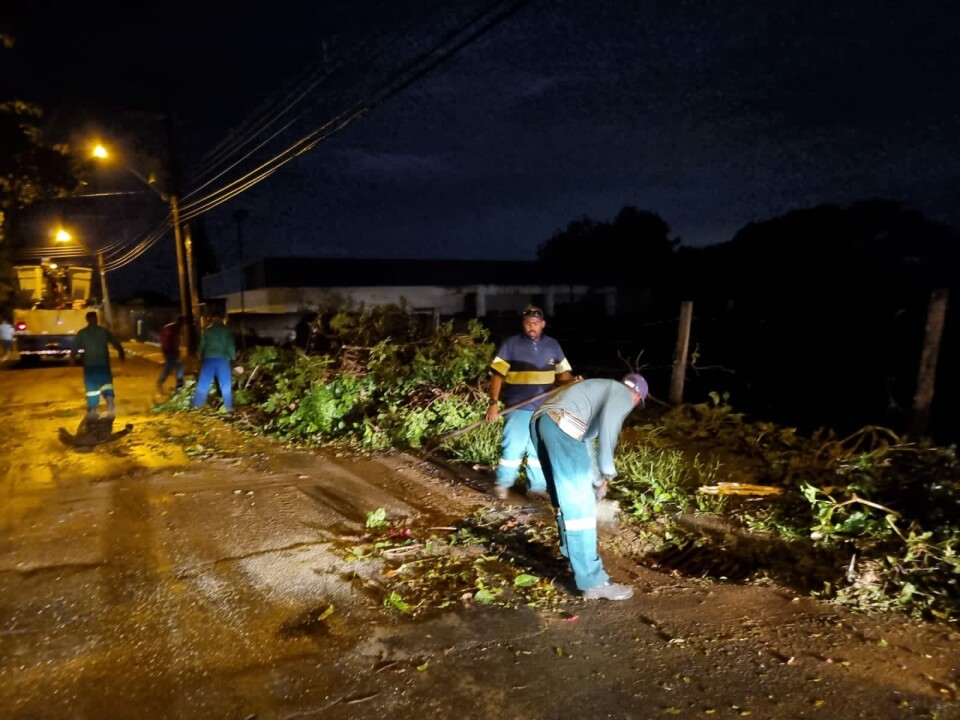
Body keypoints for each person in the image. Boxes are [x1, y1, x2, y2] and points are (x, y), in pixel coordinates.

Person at [530, 373, 649, 601]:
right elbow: (609, 432)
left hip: (542, 423)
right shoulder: (622, 394)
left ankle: (572, 556)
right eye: (636, 403)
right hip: (563, 425)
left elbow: (584, 442)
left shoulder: (596, 392)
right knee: (581, 509)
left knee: (564, 500)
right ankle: (594, 582)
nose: (632, 406)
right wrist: (608, 471)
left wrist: (596, 481)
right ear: (637, 397)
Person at [486, 305, 578, 500]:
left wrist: (572, 381)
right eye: (528, 323)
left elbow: (562, 375)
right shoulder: (511, 344)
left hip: (544, 407)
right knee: (513, 446)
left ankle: (536, 488)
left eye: (535, 323)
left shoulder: (553, 346)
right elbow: (497, 375)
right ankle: (503, 484)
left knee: (539, 449)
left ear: (542, 324)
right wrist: (493, 402)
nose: (532, 327)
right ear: (523, 324)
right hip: (517, 405)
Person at [72, 311, 125, 418]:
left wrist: (72, 358)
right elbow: (115, 342)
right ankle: (110, 405)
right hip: (103, 364)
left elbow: (75, 348)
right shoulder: (103, 331)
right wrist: (121, 352)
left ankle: (93, 410)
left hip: (90, 366)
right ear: (96, 319)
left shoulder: (82, 333)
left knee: (92, 388)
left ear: (87, 320)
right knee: (106, 384)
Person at [192, 313, 237, 412]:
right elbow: (230, 346)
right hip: (222, 359)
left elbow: (202, 346)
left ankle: (197, 404)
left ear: (212, 320)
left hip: (209, 359)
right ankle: (229, 407)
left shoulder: (208, 331)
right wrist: (233, 358)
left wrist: (200, 356)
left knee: (204, 382)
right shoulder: (226, 331)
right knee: (225, 383)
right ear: (221, 320)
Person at [157, 315, 186, 392]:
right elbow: (170, 341)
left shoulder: (171, 327)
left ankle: (178, 385)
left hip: (170, 351)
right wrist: (170, 352)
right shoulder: (173, 328)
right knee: (173, 368)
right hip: (171, 351)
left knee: (176, 367)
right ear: (181, 322)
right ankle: (178, 385)